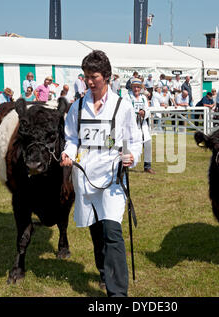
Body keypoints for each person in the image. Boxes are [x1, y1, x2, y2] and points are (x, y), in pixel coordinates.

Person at [60, 50, 142, 297]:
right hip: (85, 177)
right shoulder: (77, 106)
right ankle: (104, 272)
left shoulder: (122, 106)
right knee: (96, 230)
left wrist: (132, 156)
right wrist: (68, 152)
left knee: (112, 230)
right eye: (86, 76)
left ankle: (118, 295)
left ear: (106, 76)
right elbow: (72, 137)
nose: (89, 81)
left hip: (112, 177)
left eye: (94, 76)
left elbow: (134, 140)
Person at [124, 78, 155, 174]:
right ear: (131, 87)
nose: (136, 89)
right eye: (134, 87)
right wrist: (135, 113)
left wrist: (144, 112)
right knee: (128, 144)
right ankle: (126, 164)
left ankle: (147, 166)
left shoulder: (143, 98)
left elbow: (148, 110)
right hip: (130, 125)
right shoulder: (127, 97)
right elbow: (125, 110)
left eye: (138, 87)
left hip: (142, 124)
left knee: (147, 143)